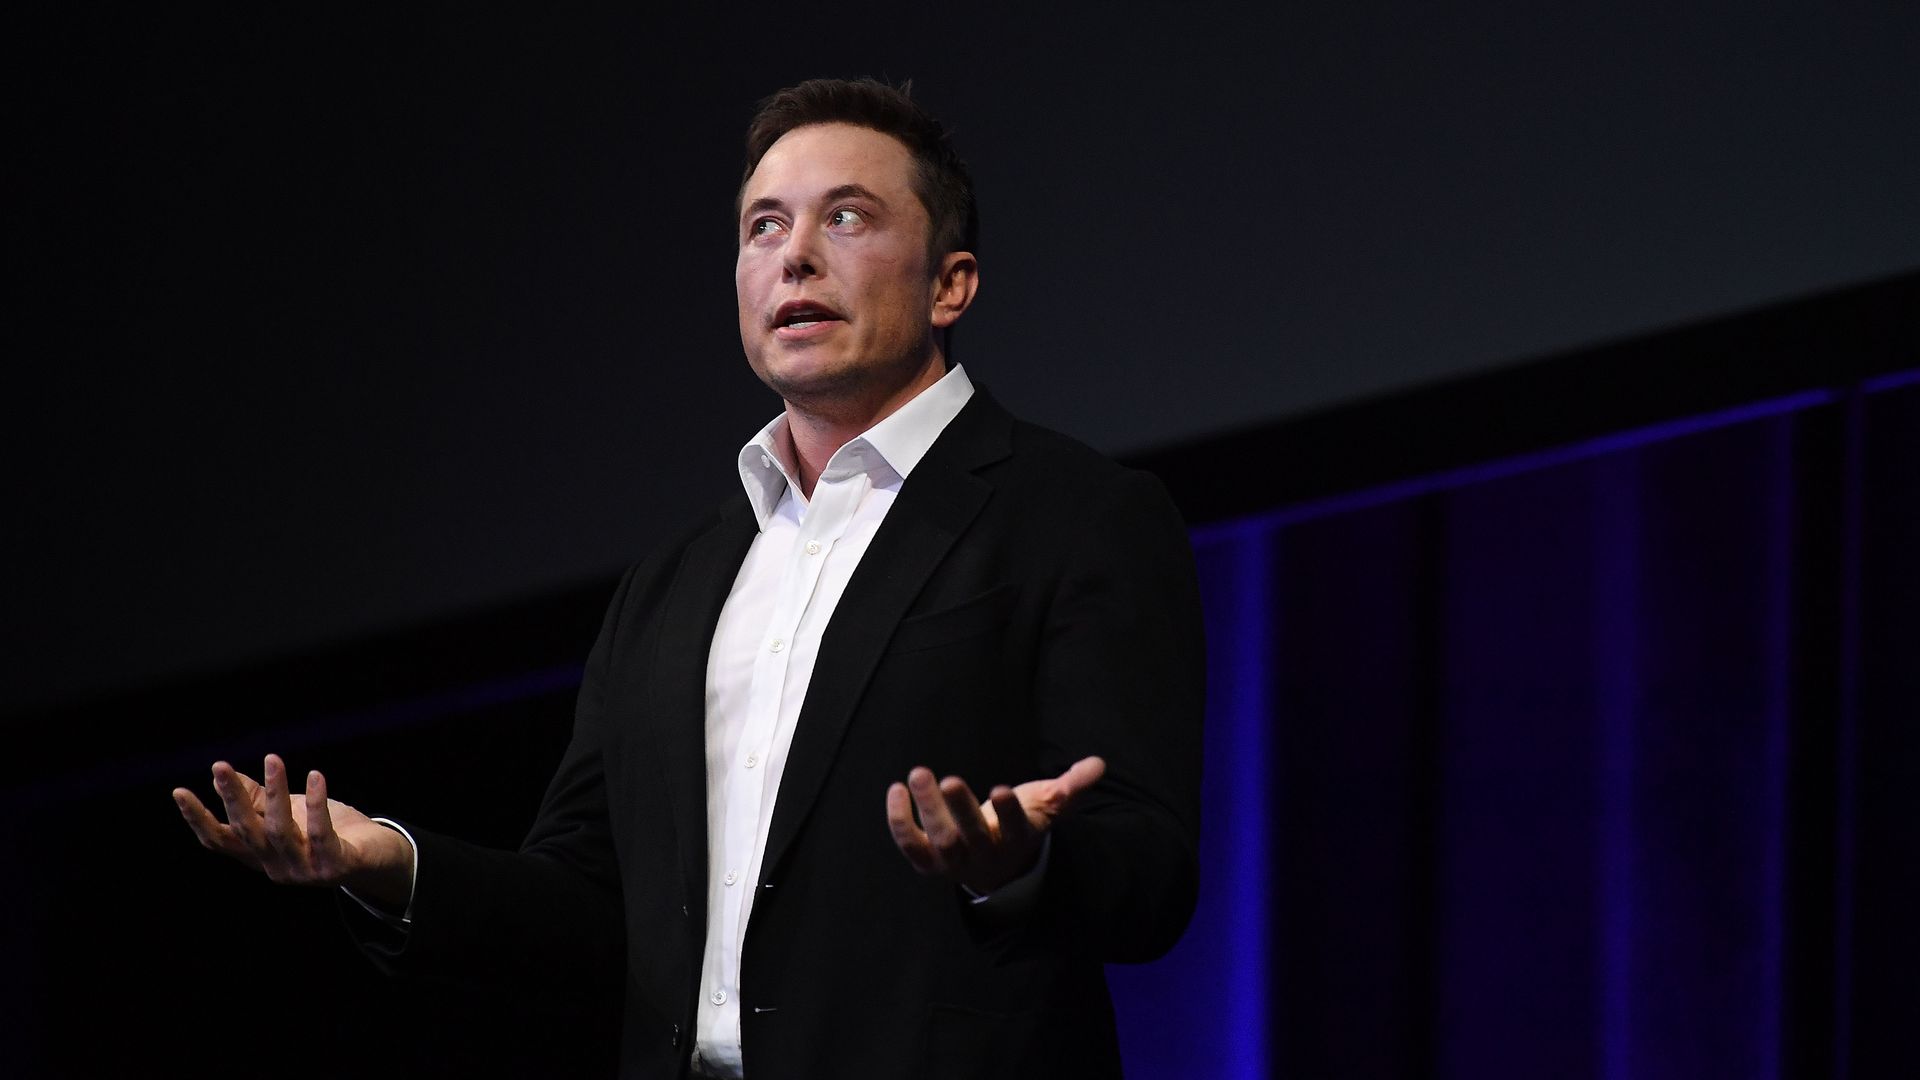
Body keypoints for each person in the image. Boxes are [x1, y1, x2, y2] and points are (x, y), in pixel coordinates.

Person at [174, 77, 1204, 1079]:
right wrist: (392, 864)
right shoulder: (676, 584)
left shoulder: (1074, 515)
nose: (794, 254)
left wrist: (1016, 864)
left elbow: (1149, 874)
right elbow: (586, 904)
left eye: (845, 218)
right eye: (764, 227)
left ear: (951, 284)